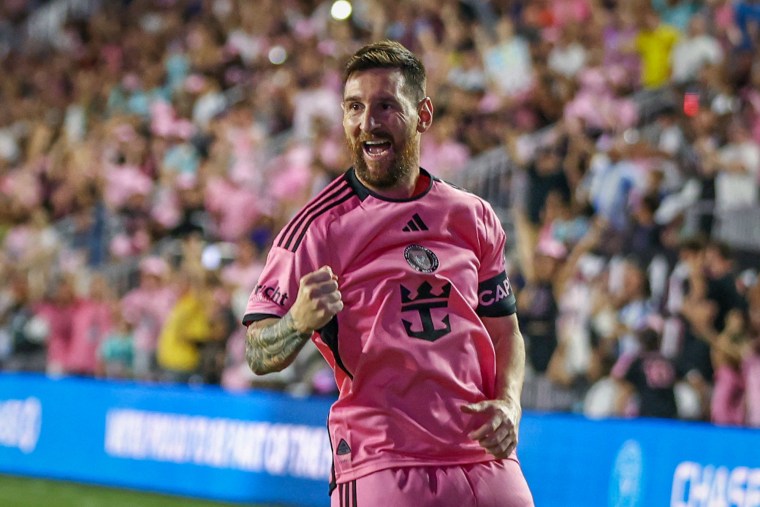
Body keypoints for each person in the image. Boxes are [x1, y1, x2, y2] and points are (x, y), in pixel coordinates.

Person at [243, 40, 534, 507]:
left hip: (485, 457)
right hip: (383, 463)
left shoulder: (472, 216)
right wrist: (297, 321)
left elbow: (506, 332)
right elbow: (257, 352)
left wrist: (509, 404)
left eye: (385, 106)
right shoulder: (317, 229)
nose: (367, 122)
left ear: (423, 115)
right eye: (354, 107)